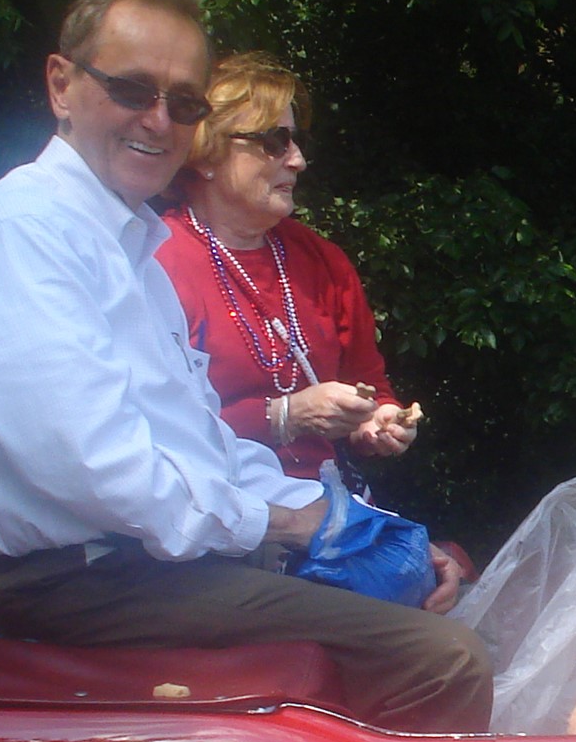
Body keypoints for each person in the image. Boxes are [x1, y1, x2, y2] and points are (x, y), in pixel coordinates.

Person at [0, 0, 489, 732]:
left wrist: (355, 527)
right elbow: (94, 467)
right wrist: (279, 527)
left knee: (430, 583)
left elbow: (205, 443)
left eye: (184, 104)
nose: (159, 120)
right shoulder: (19, 234)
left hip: (156, 559)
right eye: (132, 90)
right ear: (61, 84)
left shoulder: (133, 251)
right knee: (442, 656)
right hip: (88, 582)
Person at [156, 52, 430, 490]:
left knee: (448, 563)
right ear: (206, 152)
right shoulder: (156, 261)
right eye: (274, 142)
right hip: (211, 511)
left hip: (324, 502)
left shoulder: (322, 260)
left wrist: (378, 420)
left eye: (296, 141)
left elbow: (369, 385)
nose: (298, 160)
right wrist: (285, 416)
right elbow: (155, 428)